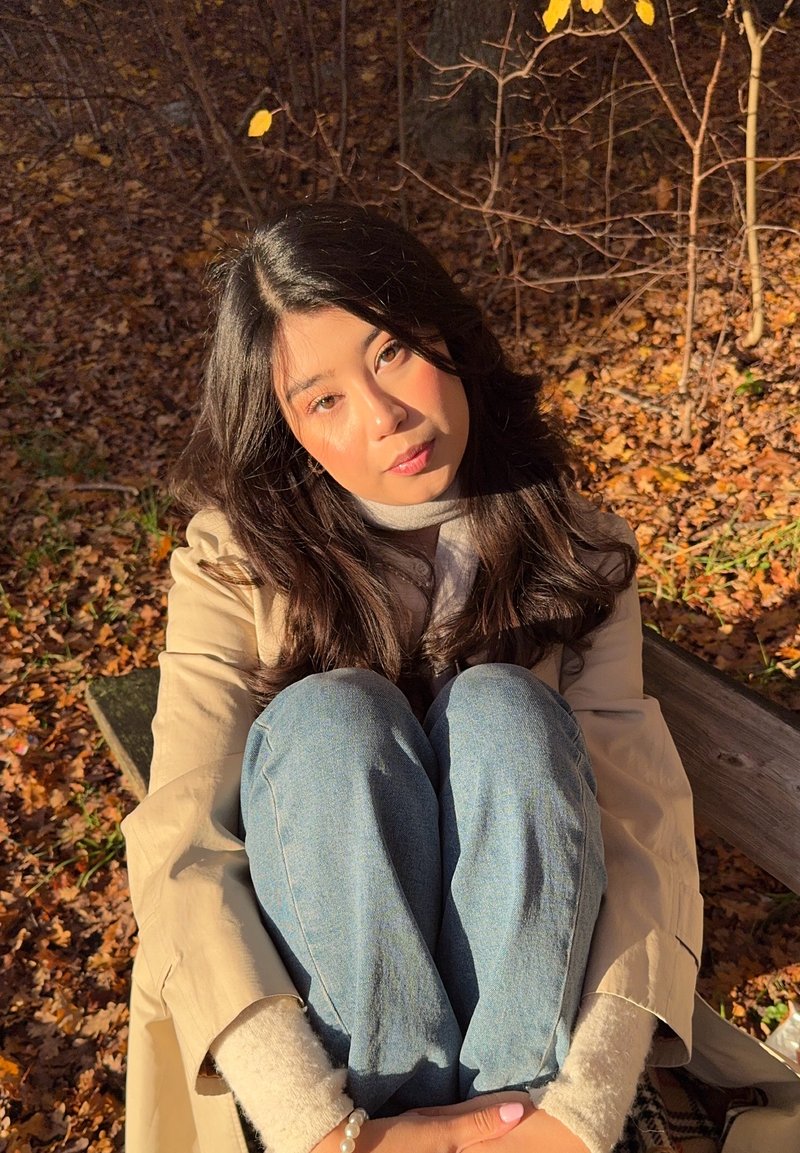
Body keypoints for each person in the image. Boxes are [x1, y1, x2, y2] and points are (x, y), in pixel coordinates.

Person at [121, 202, 706, 1153]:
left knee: (504, 709)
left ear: (448, 334)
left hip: (539, 1066)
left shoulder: (578, 550)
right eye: (324, 399)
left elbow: (640, 830)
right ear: (286, 429)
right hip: (330, 1083)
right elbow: (182, 842)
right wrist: (328, 1132)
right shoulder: (236, 559)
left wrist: (575, 1114)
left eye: (393, 351)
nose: (385, 416)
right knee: (330, 722)